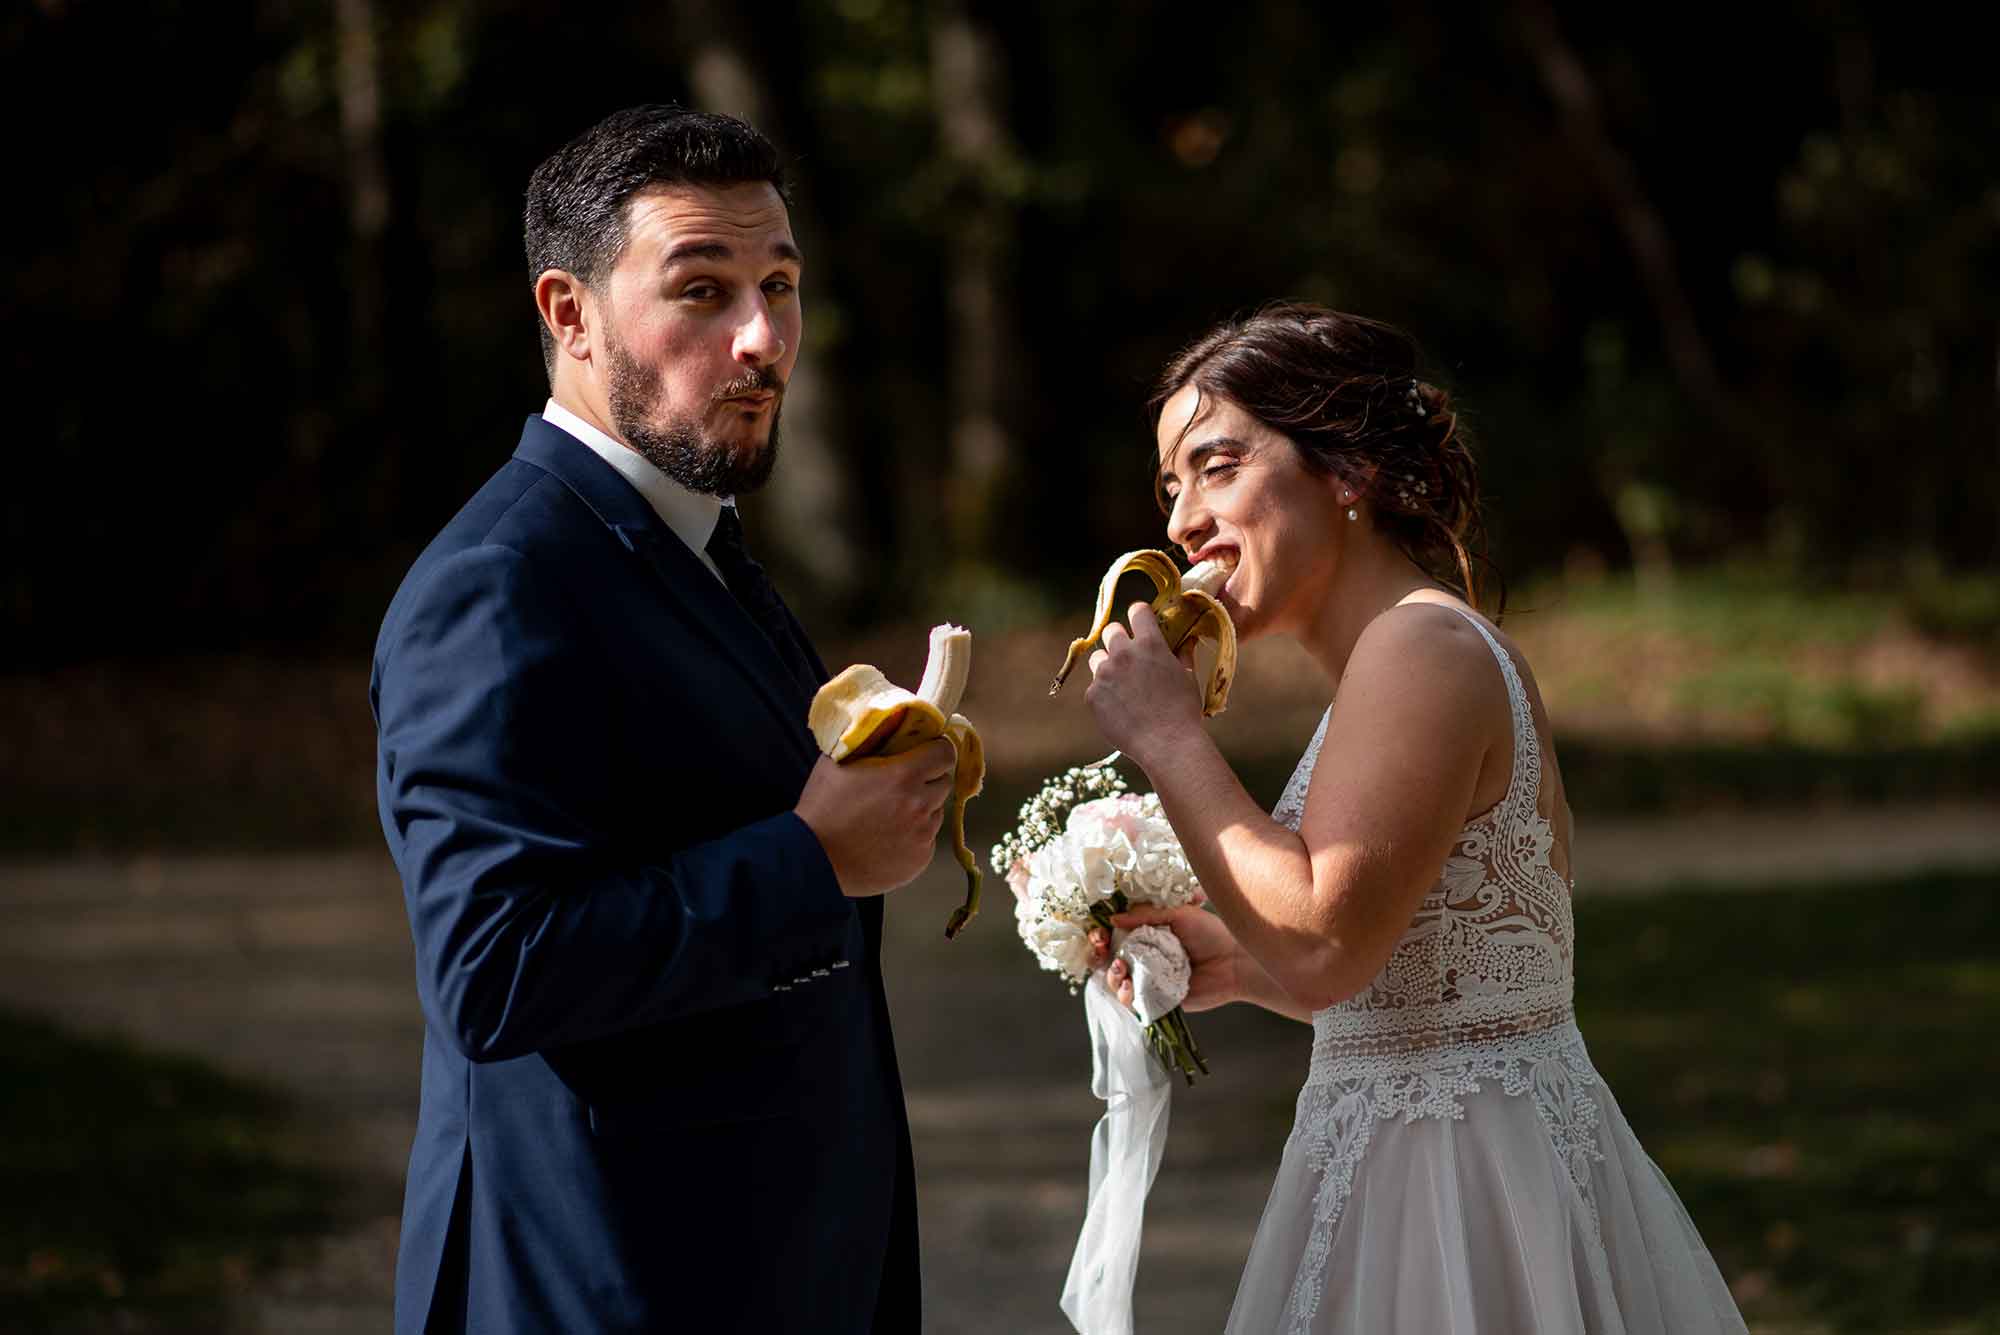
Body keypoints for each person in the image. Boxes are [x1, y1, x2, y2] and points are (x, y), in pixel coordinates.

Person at [369, 106, 948, 1334]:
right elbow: (492, 969)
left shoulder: (693, 543)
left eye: (778, 285)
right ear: (569, 313)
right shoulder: (500, 582)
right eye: (701, 290)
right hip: (605, 1279)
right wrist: (811, 860)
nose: (761, 338)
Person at [1081, 304, 1747, 1333]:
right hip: (1434, 1165)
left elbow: (1322, 945)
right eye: (1171, 488)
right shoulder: (1389, 663)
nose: (1180, 524)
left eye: (1217, 468)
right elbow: (1428, 984)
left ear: (1346, 470)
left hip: (1459, 1196)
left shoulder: (1418, 650)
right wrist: (1234, 960)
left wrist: (1170, 740)